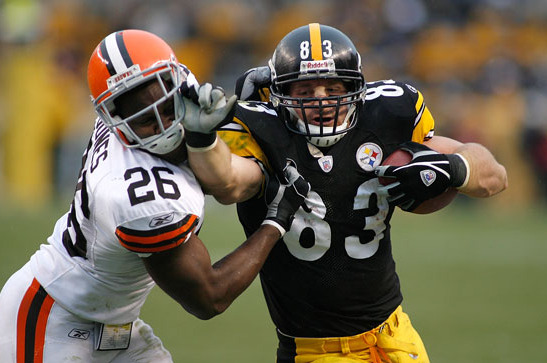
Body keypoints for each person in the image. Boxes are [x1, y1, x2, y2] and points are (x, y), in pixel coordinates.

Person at [181, 23, 508, 363]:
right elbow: (228, 182)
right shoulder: (265, 131)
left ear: (355, 88)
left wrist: (455, 168)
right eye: (305, 91)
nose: (321, 100)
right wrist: (203, 140)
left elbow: (495, 176)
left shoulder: (387, 115)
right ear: (281, 94)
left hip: (395, 334)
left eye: (332, 86)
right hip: (316, 350)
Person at [0, 29, 310, 363]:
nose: (165, 125)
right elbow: (209, 297)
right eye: (146, 120)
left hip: (114, 322)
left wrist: (248, 116)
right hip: (53, 321)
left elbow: (224, 181)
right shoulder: (136, 196)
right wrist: (275, 223)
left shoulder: (155, 96)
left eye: (167, 105)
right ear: (114, 120)